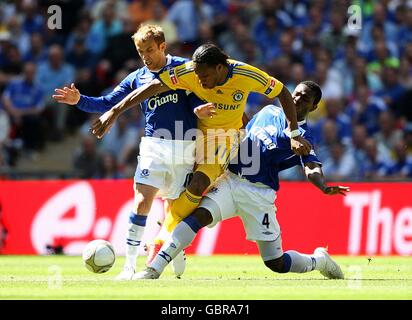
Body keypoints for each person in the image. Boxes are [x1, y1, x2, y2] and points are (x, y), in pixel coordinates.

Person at [91, 44, 312, 267]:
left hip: (222, 137)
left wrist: (293, 133)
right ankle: (172, 236)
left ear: (219, 68)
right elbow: (153, 87)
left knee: (197, 185)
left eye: (205, 76)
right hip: (189, 135)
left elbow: (283, 92)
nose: (200, 80)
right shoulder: (190, 72)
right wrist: (114, 111)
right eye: (197, 75)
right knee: (180, 194)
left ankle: (161, 238)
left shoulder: (246, 74)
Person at [132, 81, 349, 280]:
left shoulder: (303, 136)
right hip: (231, 181)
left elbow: (311, 166)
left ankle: (318, 260)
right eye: (296, 94)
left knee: (276, 262)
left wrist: (322, 186)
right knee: (196, 218)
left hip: (259, 194)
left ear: (313, 107)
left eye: (305, 99)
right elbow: (244, 130)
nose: (297, 99)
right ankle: (154, 269)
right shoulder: (268, 111)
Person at [52, 24, 205, 280]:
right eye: (140, 51)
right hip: (154, 146)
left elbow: (201, 95)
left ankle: (173, 248)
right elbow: (108, 102)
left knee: (174, 211)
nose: (145, 56)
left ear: (162, 46)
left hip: (184, 146)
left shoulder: (183, 67)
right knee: (142, 201)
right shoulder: (137, 77)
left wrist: (201, 109)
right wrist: (79, 100)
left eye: (149, 50)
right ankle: (129, 266)